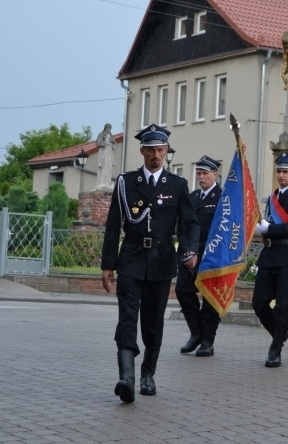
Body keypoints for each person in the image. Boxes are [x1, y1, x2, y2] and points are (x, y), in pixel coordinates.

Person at [101, 124, 200, 402]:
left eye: (160, 150)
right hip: (131, 257)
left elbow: (189, 224)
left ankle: (148, 374)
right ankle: (127, 378)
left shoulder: (178, 185)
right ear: (142, 151)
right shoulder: (126, 183)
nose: (155, 155)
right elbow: (112, 227)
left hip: (161, 259)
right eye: (151, 150)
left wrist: (190, 250)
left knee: (153, 322)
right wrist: (107, 265)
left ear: (166, 151)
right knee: (127, 318)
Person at [252, 152, 288, 368]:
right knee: (258, 303)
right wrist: (263, 228)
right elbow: (269, 224)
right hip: (269, 256)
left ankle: (275, 349)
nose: (281, 175)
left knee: (283, 305)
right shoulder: (272, 197)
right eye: (279, 171)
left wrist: (271, 228)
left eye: (285, 171)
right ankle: (280, 333)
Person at [176, 155, 222, 357]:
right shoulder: (192, 197)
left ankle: (207, 341)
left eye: (205, 173)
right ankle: (196, 332)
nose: (201, 177)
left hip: (213, 253)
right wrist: (187, 251)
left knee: (211, 298)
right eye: (199, 173)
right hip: (190, 253)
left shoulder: (223, 198)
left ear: (215, 174)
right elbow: (182, 227)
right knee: (183, 290)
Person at [95, 123, 117, 191]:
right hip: (103, 153)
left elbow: (115, 146)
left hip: (109, 153)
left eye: (110, 128)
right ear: (105, 128)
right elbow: (98, 143)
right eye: (107, 128)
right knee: (102, 168)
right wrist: (104, 141)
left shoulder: (111, 136)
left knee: (109, 168)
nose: (108, 129)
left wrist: (113, 143)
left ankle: (107, 183)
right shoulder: (101, 134)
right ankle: (101, 183)